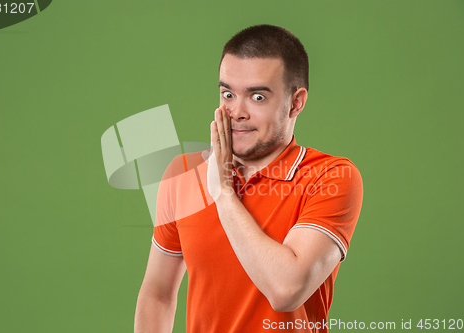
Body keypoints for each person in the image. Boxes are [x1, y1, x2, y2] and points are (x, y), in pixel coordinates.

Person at [134, 24, 363, 333]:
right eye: (228, 93)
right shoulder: (183, 174)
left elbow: (286, 290)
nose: (237, 112)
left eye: (257, 97)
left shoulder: (329, 176)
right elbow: (157, 294)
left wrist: (224, 194)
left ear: (296, 102)